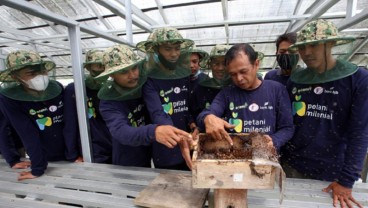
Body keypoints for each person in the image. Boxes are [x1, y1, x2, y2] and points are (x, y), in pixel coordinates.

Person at [281, 19, 368, 208]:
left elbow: (360, 132)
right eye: (302, 48)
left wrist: (347, 180)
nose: (307, 53)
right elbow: (287, 122)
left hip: (333, 171)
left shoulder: (357, 79)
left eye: (313, 45)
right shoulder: (296, 80)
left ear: (332, 43)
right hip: (293, 165)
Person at [97, 45, 192, 168]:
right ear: (112, 75)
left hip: (147, 155)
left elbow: (157, 111)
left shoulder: (142, 87)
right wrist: (154, 131)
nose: (132, 75)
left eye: (134, 68)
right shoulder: (108, 103)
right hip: (126, 161)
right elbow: (121, 131)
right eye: (124, 71)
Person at [196, 43, 294, 153]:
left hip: (266, 156)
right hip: (237, 155)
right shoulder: (227, 93)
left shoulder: (276, 89)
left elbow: (287, 128)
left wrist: (275, 141)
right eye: (233, 74)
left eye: (243, 71)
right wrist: (208, 118)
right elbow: (205, 114)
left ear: (256, 64)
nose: (239, 78)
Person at [0, 50, 71, 180]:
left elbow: (71, 122)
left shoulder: (57, 87)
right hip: (45, 155)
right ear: (16, 77)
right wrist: (38, 168)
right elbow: (26, 132)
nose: (40, 76)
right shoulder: (9, 99)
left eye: (43, 71)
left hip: (71, 152)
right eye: (31, 73)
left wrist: (75, 152)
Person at [136, 27, 196, 170]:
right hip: (166, 147)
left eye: (177, 48)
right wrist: (178, 136)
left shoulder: (183, 75)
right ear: (156, 51)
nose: (174, 54)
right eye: (168, 49)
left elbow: (187, 106)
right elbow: (157, 113)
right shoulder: (149, 80)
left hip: (189, 141)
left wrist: (193, 124)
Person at [63, 49, 112, 163]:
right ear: (88, 68)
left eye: (105, 66)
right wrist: (72, 154)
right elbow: (70, 123)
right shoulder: (76, 89)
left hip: (114, 144)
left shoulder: (112, 88)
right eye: (98, 66)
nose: (103, 70)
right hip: (92, 148)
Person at [189, 44, 232, 120]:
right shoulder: (201, 88)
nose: (220, 68)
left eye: (224, 63)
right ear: (210, 65)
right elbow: (193, 113)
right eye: (216, 63)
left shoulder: (239, 87)